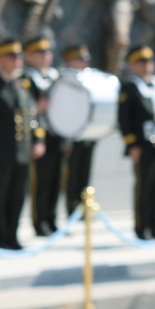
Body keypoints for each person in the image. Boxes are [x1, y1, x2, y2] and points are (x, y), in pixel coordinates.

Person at [0, 40, 46, 249]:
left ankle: (13, 236)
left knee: (18, 195)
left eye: (19, 56)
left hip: (23, 151)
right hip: (0, 152)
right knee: (0, 195)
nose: (17, 60)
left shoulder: (24, 84)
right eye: (12, 56)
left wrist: (38, 139)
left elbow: (34, 115)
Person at [118, 45, 155, 240]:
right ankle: (142, 226)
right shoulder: (130, 88)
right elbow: (124, 119)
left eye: (149, 61)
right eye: (141, 62)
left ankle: (154, 224)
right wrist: (132, 144)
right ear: (132, 65)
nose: (146, 65)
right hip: (143, 144)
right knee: (144, 187)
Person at [23, 37, 63, 236]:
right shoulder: (27, 79)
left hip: (57, 135)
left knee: (57, 180)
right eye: (40, 52)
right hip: (40, 136)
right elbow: (26, 110)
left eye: (48, 52)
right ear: (30, 56)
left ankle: (52, 218)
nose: (46, 56)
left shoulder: (56, 77)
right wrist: (38, 108)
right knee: (42, 180)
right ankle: (40, 221)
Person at [61, 45, 98, 214]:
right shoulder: (65, 81)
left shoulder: (90, 78)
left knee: (85, 172)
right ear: (70, 61)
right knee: (72, 174)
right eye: (80, 59)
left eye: (86, 59)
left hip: (88, 133)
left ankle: (84, 206)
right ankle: (73, 208)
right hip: (71, 136)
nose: (84, 62)